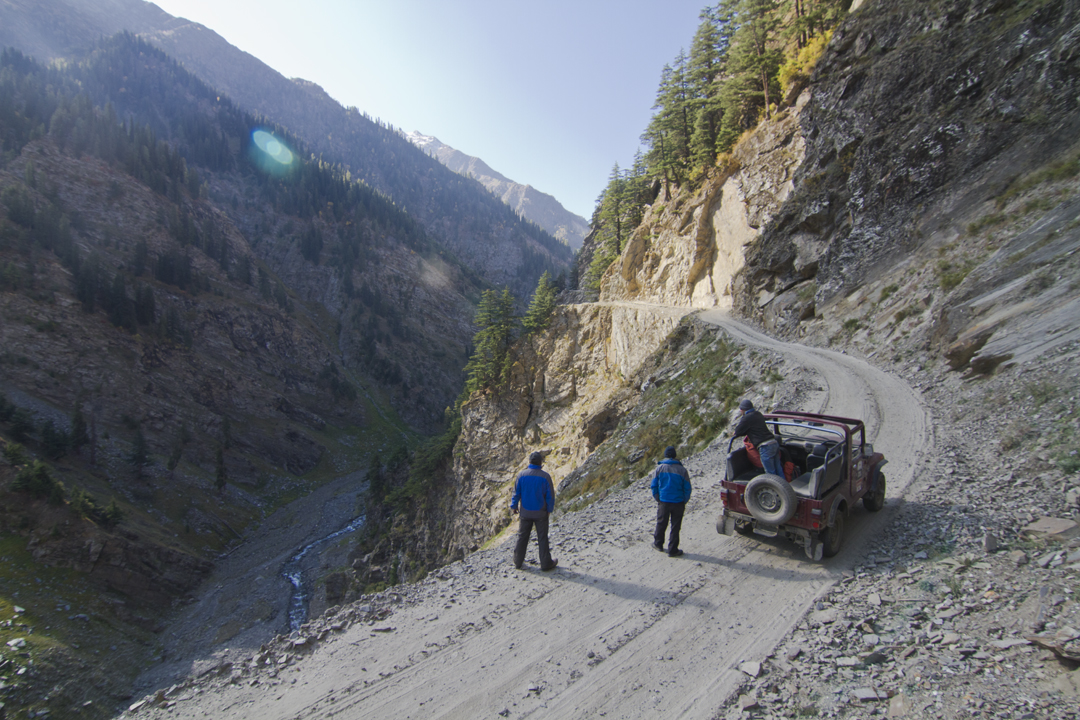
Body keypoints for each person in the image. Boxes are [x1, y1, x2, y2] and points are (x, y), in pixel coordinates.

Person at [510, 451, 558, 571]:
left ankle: (518, 561)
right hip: (541, 513)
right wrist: (549, 509)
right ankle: (546, 563)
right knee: (542, 537)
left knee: (522, 536)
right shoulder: (545, 477)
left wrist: (514, 506)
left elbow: (516, 493)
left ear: (530, 462)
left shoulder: (521, 475)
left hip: (525, 513)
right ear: (540, 462)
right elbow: (550, 496)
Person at [649, 446, 692, 557]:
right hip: (678, 502)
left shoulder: (659, 469)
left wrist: (657, 498)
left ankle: (658, 544)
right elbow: (687, 488)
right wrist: (684, 500)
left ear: (665, 455)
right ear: (674, 455)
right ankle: (673, 550)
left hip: (664, 501)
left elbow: (653, 486)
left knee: (661, 523)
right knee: (675, 526)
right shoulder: (682, 470)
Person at [733, 399, 784, 477]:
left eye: (741, 410)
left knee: (771, 474)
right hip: (774, 443)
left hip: (765, 447)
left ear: (743, 409)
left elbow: (738, 431)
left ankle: (776, 489)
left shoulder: (746, 418)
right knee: (779, 469)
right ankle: (785, 487)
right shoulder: (758, 414)